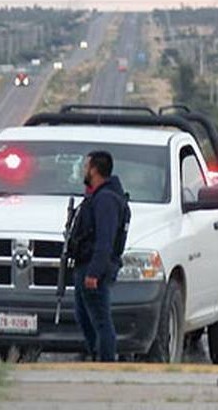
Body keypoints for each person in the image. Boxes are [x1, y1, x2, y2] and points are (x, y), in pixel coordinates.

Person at [70, 150, 129, 362]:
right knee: (84, 317)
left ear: (94, 169)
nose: (84, 170)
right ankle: (95, 356)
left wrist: (94, 272)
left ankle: (105, 364)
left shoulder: (106, 199)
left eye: (86, 166)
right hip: (85, 265)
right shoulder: (97, 196)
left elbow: (105, 240)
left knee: (101, 321)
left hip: (94, 269)